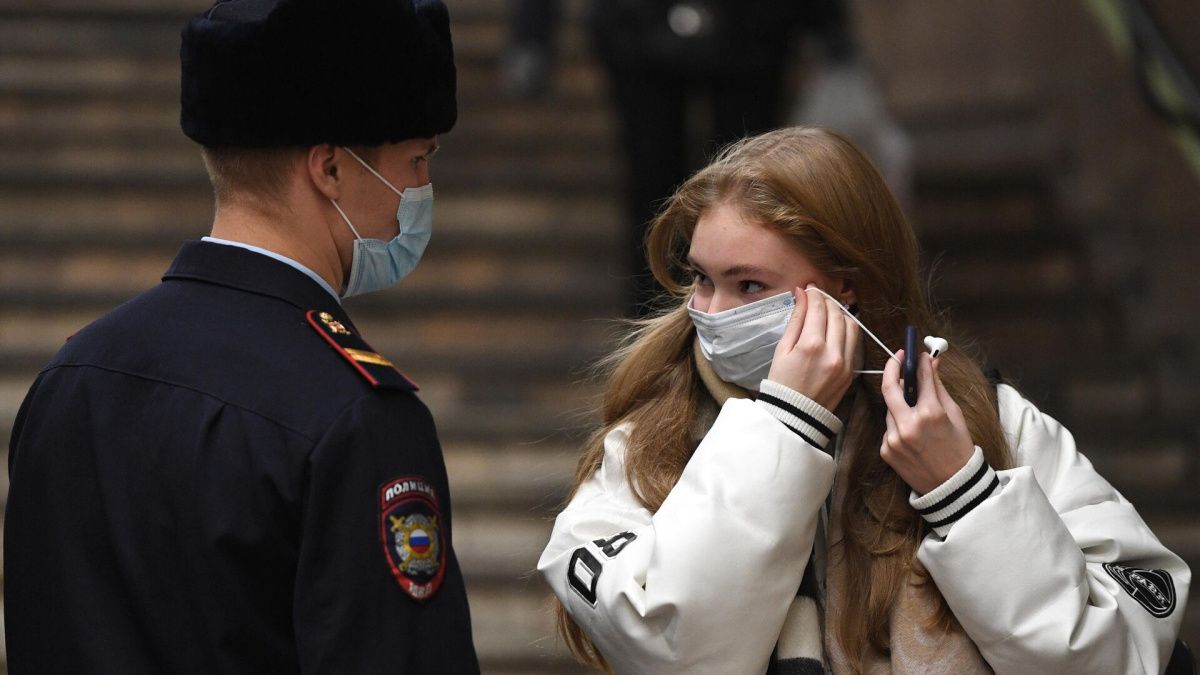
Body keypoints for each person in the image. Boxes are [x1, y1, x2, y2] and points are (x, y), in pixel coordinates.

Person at [537, 127, 1189, 673]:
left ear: (844, 288)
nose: (711, 313)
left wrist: (965, 494)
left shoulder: (991, 421)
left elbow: (1115, 658)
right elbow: (678, 652)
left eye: (750, 285)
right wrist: (787, 426)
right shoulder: (647, 443)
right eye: (702, 278)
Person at [4, 0, 479, 672]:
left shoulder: (74, 375)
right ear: (331, 168)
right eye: (418, 160)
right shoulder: (356, 418)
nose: (423, 188)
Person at [503, 0, 855, 317]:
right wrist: (532, 30)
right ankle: (657, 326)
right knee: (653, 190)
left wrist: (830, 26)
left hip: (750, 31)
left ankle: (747, 310)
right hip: (641, 28)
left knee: (752, 186)